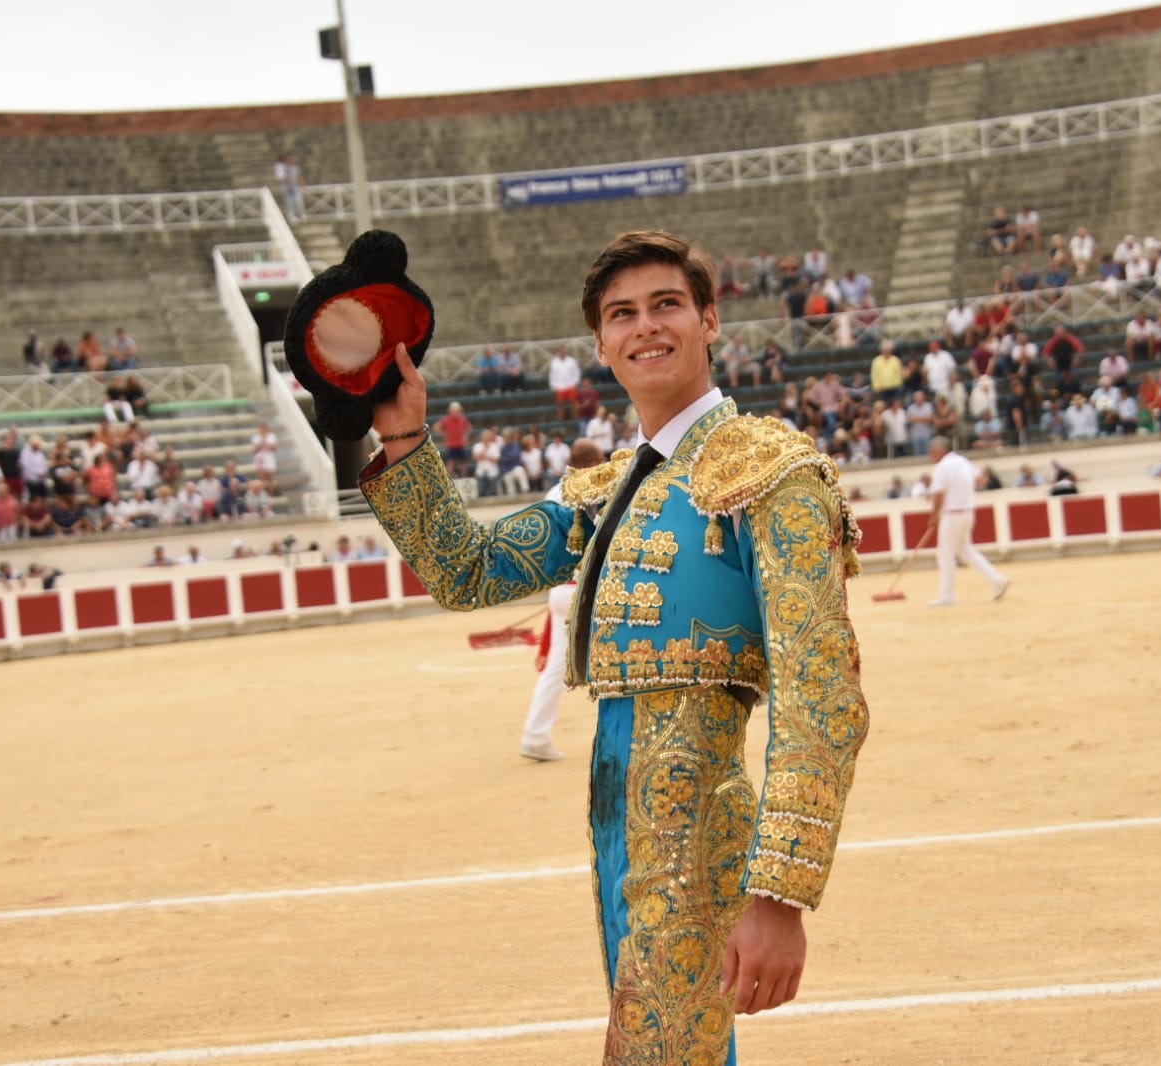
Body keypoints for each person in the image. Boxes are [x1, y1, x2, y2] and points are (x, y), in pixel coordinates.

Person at [356, 230, 867, 1062]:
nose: (645, 327)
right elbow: (468, 572)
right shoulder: (610, 488)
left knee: (661, 1051)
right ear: (599, 345)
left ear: (709, 321)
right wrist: (408, 440)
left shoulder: (772, 471)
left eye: (666, 304)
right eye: (621, 315)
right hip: (613, 811)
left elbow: (821, 692)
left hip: (697, 819)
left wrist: (779, 894)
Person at [520, 438, 605, 762]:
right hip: (585, 591)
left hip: (559, 588)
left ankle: (535, 734)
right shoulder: (594, 490)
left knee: (557, 666)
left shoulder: (553, 494)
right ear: (594, 462)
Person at [924, 436, 1009, 606]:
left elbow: (939, 494)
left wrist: (933, 517)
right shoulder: (962, 461)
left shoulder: (942, 467)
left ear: (941, 450)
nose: (931, 454)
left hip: (952, 514)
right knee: (965, 551)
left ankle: (947, 595)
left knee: (946, 555)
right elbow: (981, 480)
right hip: (968, 512)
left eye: (932, 451)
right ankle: (997, 580)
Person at [274, 153, 304, 220]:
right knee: (289, 202)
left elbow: (299, 176)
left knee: (298, 200)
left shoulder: (295, 167)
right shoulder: (282, 167)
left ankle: (299, 214)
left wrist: (302, 185)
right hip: (286, 187)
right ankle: (292, 215)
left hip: (294, 186)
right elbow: (280, 178)